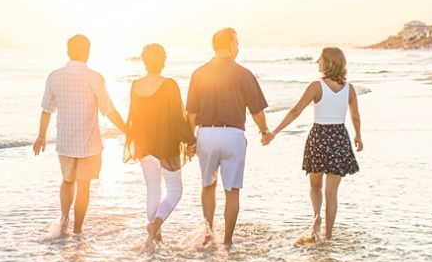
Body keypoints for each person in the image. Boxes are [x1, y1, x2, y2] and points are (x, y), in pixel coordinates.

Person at [263, 47, 362, 241]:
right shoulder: (349, 89)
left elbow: (296, 110)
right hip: (339, 137)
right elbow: (355, 116)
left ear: (328, 62)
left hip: (318, 137)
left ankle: (316, 216)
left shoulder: (316, 86)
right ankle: (328, 235)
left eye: (320, 59)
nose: (317, 61)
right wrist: (358, 135)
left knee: (315, 185)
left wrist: (274, 131)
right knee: (332, 191)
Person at [34, 34, 128, 236]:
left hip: (65, 142)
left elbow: (46, 110)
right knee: (83, 186)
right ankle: (78, 229)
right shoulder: (94, 77)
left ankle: (64, 219)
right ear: (87, 52)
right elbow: (108, 109)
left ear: (68, 51)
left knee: (67, 181)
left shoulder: (54, 76)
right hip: (89, 144)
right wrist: (128, 130)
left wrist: (41, 136)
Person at [186, 28, 270, 245]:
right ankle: (228, 241)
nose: (238, 48)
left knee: (208, 186)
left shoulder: (199, 73)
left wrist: (190, 140)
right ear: (231, 45)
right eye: (237, 43)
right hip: (233, 134)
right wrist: (264, 131)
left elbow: (192, 114)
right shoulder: (244, 73)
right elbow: (256, 111)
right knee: (232, 191)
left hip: (206, 133)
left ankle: (208, 232)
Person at [125, 43, 196, 249]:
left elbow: (134, 116)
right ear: (163, 60)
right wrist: (191, 141)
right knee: (175, 190)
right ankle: (156, 224)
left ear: (143, 60)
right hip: (165, 144)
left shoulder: (135, 85)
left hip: (144, 144)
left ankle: (154, 238)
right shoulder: (169, 85)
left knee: (153, 188)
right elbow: (177, 118)